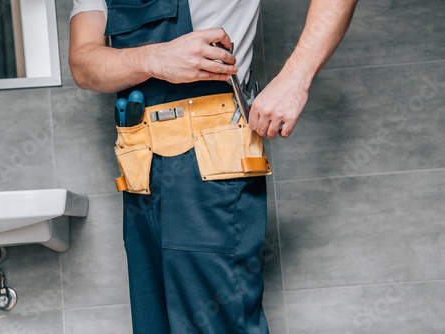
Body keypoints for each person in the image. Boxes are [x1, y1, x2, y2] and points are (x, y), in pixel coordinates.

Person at [69, 0, 357, 333]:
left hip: (209, 161)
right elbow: (83, 63)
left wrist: (296, 77)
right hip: (140, 168)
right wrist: (154, 58)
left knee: (215, 325)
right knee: (155, 325)